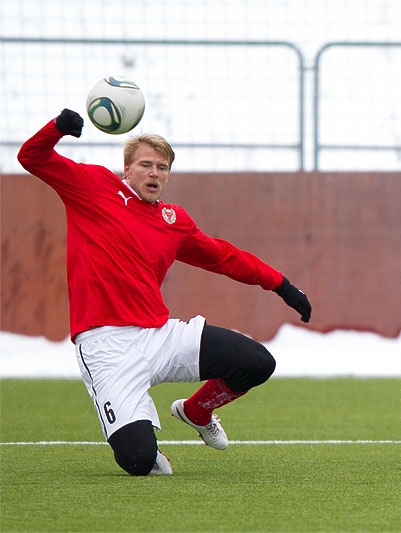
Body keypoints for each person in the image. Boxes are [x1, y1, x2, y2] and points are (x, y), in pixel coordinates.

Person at [17, 109, 312, 476]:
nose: (154, 173)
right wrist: (58, 128)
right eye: (145, 165)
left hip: (159, 336)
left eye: (162, 167)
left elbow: (225, 257)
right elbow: (31, 156)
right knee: (139, 461)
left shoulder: (173, 221)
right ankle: (140, 438)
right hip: (106, 346)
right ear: (127, 169)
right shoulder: (92, 186)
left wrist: (281, 284)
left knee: (256, 362)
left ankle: (197, 411)